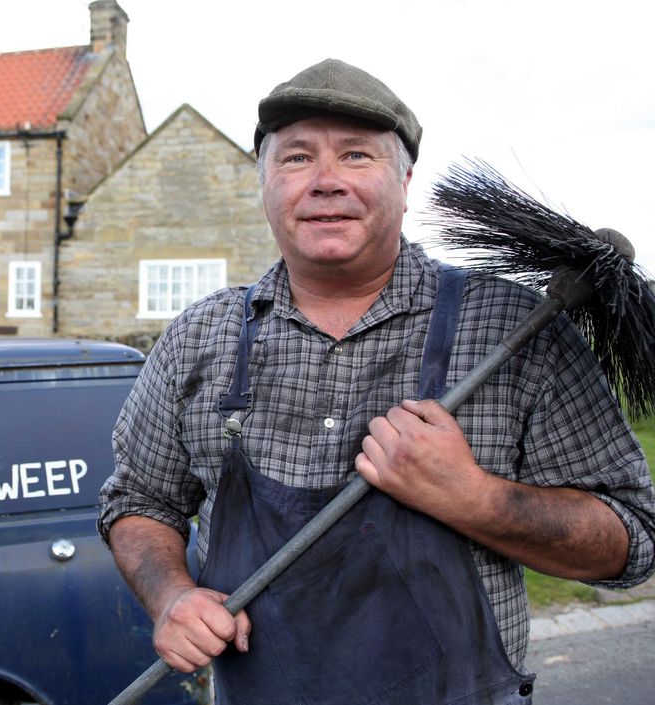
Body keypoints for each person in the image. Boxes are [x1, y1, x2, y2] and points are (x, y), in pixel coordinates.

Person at [98, 58, 655, 704]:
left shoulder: (514, 330)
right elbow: (137, 502)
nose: (326, 182)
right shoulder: (199, 338)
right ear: (264, 183)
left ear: (406, 180)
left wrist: (472, 495)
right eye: (297, 158)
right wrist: (171, 595)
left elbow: (633, 540)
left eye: (357, 156)